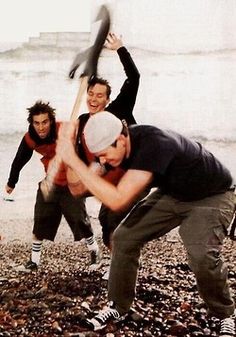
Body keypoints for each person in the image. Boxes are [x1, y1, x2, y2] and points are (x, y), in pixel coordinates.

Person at [56, 111, 236, 336]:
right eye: (99, 156)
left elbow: (117, 200)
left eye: (103, 155)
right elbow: (78, 188)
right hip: (173, 194)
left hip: (213, 195)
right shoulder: (114, 147)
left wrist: (73, 160)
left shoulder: (156, 144)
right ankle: (118, 306)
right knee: (124, 238)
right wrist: (69, 151)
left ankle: (225, 314)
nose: (103, 161)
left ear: (121, 139)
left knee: (201, 254)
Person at [66, 32, 149, 253]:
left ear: (107, 99)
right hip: (111, 176)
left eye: (99, 96)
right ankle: (117, 259)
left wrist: (120, 49)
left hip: (137, 172)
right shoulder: (83, 122)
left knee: (112, 217)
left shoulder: (118, 109)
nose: (93, 100)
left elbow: (135, 78)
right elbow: (85, 157)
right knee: (105, 217)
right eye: (90, 94)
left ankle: (119, 263)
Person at [5, 100, 101, 271]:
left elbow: (89, 139)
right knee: (40, 218)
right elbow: (19, 159)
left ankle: (94, 251)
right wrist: (12, 182)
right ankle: (34, 261)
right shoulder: (31, 138)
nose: (41, 127)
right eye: (36, 123)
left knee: (79, 220)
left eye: (45, 122)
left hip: (73, 181)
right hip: (51, 181)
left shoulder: (63, 130)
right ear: (31, 123)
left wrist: (74, 140)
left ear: (51, 121)